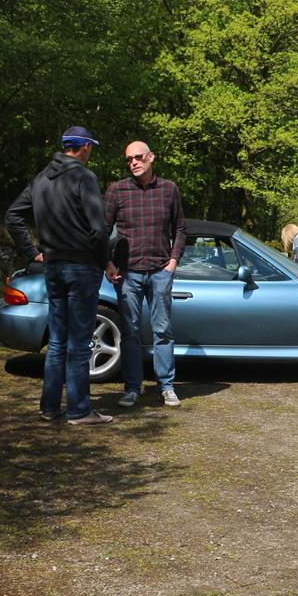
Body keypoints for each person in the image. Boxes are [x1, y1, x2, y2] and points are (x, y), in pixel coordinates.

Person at [6, 126, 114, 426]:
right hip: (81, 267)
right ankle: (79, 410)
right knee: (79, 342)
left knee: (57, 342)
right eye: (91, 148)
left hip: (52, 267)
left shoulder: (41, 179)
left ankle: (50, 407)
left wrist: (33, 253)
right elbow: (98, 229)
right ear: (84, 148)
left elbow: (13, 215)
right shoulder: (84, 177)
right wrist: (103, 262)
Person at [105, 141, 187, 409]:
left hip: (160, 271)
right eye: (128, 160)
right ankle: (132, 389)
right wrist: (108, 262)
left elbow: (181, 229)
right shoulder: (117, 190)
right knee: (129, 332)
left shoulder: (169, 189)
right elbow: (102, 231)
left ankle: (166, 386)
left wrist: (173, 261)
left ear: (151, 157)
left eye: (138, 158)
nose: (133, 163)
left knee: (163, 331)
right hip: (127, 274)